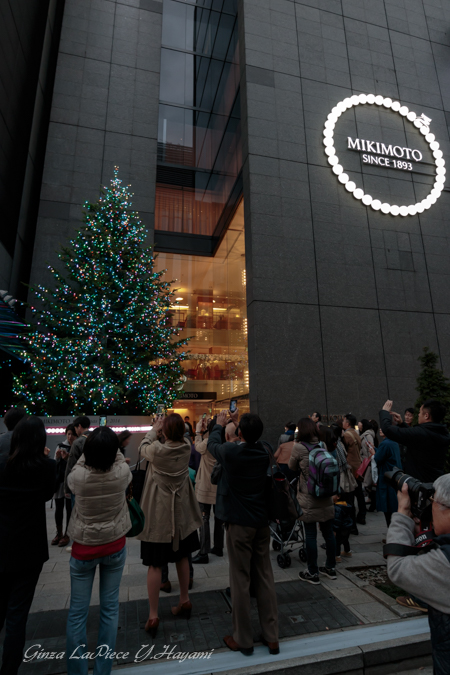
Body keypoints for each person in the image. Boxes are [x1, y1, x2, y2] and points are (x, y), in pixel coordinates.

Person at [208, 410, 279, 657]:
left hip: (239, 524)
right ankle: (272, 637)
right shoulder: (266, 450)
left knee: (239, 579)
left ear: (239, 434)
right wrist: (239, 426)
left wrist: (219, 425)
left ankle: (243, 639)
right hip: (262, 522)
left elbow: (212, 445)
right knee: (264, 576)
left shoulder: (231, 452)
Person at [66, 426, 131, 675]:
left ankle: (78, 670)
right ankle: (103, 670)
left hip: (83, 551)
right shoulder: (123, 472)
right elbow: (115, 459)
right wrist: (111, 447)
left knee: (77, 615)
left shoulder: (77, 477)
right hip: (114, 546)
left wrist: (89, 448)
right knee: (110, 609)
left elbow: (79, 467)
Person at [0, 416, 56, 675]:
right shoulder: (46, 467)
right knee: (17, 615)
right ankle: (10, 669)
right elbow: (47, 495)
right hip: (29, 551)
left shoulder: (2, 463)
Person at [137, 414, 202, 637]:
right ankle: (185, 600)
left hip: (159, 516)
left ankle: (153, 615)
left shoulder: (156, 450)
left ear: (164, 432)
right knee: (183, 557)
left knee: (155, 565)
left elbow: (143, 446)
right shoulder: (186, 446)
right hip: (181, 516)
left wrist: (154, 429)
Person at [386, 476, 450, 675]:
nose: (431, 508)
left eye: (433, 502)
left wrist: (403, 512)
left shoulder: (445, 561)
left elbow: (397, 569)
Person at [289, 418, 336, 585]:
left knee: (310, 534)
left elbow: (291, 467)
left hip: (309, 497)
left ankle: (312, 571)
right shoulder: (322, 445)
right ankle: (330, 567)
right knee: (328, 533)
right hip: (326, 495)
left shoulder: (299, 447)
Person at [380, 399, 450, 483]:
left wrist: (385, 412)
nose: (418, 415)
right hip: (434, 481)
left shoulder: (421, 433)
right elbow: (417, 438)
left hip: (419, 485)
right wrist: (402, 424)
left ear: (426, 416)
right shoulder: (442, 432)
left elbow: (388, 429)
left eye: (420, 413)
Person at [192, 417, 226, 565]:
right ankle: (218, 547)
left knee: (204, 518)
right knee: (219, 517)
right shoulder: (224, 442)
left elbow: (197, 446)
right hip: (220, 486)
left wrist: (199, 431)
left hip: (206, 487)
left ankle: (203, 552)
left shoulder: (208, 443)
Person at [52, 423, 76, 547]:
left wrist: (68, 459)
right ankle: (59, 533)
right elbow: (54, 464)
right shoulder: (60, 446)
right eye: (69, 434)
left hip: (71, 483)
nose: (70, 437)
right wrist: (57, 458)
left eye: (72, 434)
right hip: (60, 483)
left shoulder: (77, 448)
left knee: (69, 509)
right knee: (58, 508)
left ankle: (67, 534)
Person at [374, 428, 402, 527]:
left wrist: (374, 453)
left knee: (388, 510)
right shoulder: (394, 442)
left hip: (386, 478)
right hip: (394, 477)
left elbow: (377, 459)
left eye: (383, 427)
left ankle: (391, 534)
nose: (380, 430)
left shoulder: (385, 444)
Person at [342, 413, 365, 525]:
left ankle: (352, 519)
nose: (342, 423)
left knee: (350, 494)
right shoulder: (356, 434)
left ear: (347, 423)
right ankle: (362, 514)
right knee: (359, 492)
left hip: (350, 467)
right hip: (358, 465)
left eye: (343, 421)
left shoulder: (346, 435)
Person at [64, 416, 91, 501]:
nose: (75, 431)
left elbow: (71, 466)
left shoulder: (77, 443)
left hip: (79, 484)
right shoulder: (96, 438)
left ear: (79, 426)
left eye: (75, 428)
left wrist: (67, 488)